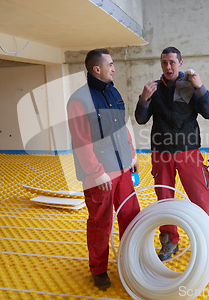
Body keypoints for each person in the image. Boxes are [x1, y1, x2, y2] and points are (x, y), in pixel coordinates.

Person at [135, 46, 209, 266]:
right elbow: (140, 119)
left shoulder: (191, 86)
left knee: (201, 198)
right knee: (164, 200)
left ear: (180, 63)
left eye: (172, 62)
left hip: (189, 152)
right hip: (161, 154)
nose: (168, 67)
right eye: (164, 62)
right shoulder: (154, 89)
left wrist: (200, 87)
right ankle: (169, 241)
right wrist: (144, 99)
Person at [67, 49, 141, 290]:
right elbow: (81, 141)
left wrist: (131, 154)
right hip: (99, 175)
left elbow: (122, 127)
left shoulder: (113, 91)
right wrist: (97, 172)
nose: (114, 68)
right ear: (96, 69)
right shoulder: (79, 100)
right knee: (101, 224)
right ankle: (98, 270)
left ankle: (131, 261)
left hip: (122, 170)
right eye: (110, 64)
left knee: (130, 217)